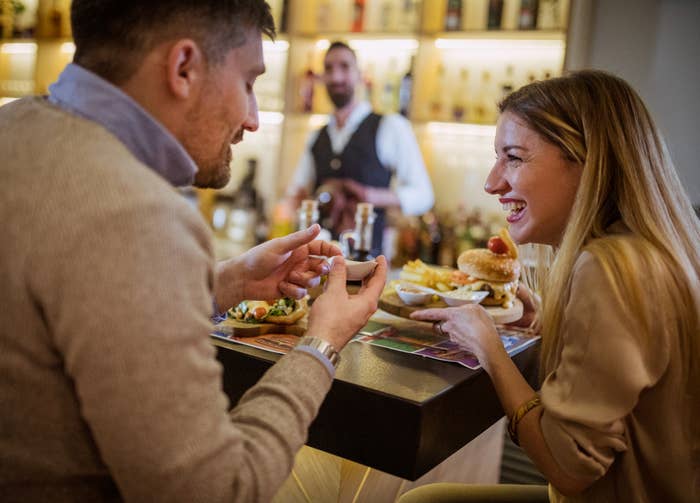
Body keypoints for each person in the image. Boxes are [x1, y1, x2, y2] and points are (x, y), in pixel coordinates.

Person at [0, 1, 387, 502]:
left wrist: (228, 282)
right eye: (249, 82)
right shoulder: (137, 211)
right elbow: (217, 490)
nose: (252, 120)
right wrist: (322, 343)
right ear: (183, 67)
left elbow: (80, 305)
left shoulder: (17, 125)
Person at [411, 70, 700, 501]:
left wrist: (490, 349)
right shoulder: (652, 251)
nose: (492, 183)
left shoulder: (609, 267)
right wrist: (550, 326)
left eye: (513, 157)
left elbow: (567, 468)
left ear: (586, 160)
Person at [287, 41, 434, 257]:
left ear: (359, 74)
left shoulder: (390, 126)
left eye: (345, 67)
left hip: (366, 263)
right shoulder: (316, 136)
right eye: (329, 68)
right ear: (322, 77)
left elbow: (423, 196)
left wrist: (369, 195)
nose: (336, 77)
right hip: (316, 262)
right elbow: (295, 194)